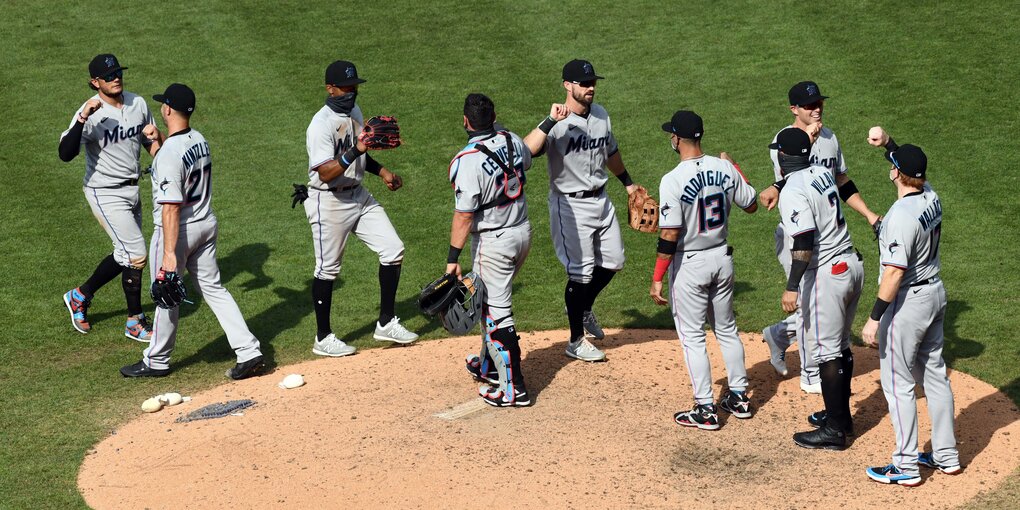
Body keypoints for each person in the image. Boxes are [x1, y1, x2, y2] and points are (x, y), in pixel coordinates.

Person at [120, 83, 265, 380]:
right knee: (214, 289)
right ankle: (249, 350)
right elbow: (176, 164)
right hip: (205, 224)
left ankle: (156, 360)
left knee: (165, 294)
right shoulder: (199, 139)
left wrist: (170, 256)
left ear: (168, 109)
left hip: (178, 231)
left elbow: (171, 205)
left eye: (163, 104)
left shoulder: (169, 154)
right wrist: (159, 141)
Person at [759, 81, 880, 394]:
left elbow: (840, 180)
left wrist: (867, 213)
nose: (816, 109)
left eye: (819, 103)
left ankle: (779, 336)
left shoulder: (830, 137)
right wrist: (805, 144)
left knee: (812, 305)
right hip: (796, 237)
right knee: (807, 301)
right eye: (809, 105)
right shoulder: (782, 141)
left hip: (826, 236)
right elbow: (791, 179)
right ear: (794, 110)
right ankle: (811, 375)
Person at [523, 58, 642, 362]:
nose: (590, 88)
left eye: (593, 83)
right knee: (581, 272)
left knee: (614, 260)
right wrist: (549, 121)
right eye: (584, 83)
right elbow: (526, 151)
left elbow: (610, 152)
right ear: (567, 85)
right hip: (570, 205)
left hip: (601, 199)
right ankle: (576, 340)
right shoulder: (556, 123)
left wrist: (628, 184)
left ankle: (582, 306)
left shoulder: (601, 115)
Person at [862, 128, 960, 486]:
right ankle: (946, 455)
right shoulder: (930, 195)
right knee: (934, 374)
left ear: (894, 174)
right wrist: (889, 143)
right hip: (935, 293)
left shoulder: (899, 218)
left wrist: (874, 319)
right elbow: (906, 163)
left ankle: (904, 466)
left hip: (908, 304)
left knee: (897, 383)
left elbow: (893, 274)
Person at [300, 60, 418, 357]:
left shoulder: (354, 112)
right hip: (328, 201)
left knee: (393, 248)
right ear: (330, 89)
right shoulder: (320, 125)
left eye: (354, 88)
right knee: (327, 270)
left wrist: (383, 173)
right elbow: (326, 172)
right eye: (346, 88)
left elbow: (360, 156)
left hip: (359, 195)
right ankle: (323, 337)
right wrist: (357, 150)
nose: (351, 93)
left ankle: (386, 322)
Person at [649, 111, 758, 430]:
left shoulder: (672, 180)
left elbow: (669, 234)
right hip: (722, 260)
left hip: (691, 265)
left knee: (693, 337)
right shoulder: (724, 167)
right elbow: (750, 204)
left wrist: (657, 277)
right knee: (726, 328)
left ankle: (705, 408)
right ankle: (739, 397)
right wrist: (735, 166)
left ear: (678, 139)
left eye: (672, 134)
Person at [59, 54, 162, 342]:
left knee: (125, 254)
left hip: (132, 189)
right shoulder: (91, 113)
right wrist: (82, 118)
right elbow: (65, 154)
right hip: (104, 191)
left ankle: (79, 296)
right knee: (136, 255)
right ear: (95, 83)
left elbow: (150, 141)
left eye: (118, 72)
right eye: (109, 75)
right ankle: (135, 321)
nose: (116, 77)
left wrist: (158, 144)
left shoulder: (137, 103)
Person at [772, 127, 863, 450]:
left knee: (827, 352)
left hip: (828, 274)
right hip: (852, 264)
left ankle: (835, 430)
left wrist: (792, 286)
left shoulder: (793, 189)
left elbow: (804, 240)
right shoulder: (822, 173)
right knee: (841, 347)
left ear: (783, 157)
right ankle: (840, 416)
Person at [447, 94, 533, 407]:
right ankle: (488, 366)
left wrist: (452, 260)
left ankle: (514, 390)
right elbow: (526, 161)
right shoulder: (512, 140)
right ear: (494, 117)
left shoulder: (466, 160)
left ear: (465, 121)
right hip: (522, 234)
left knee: (495, 313)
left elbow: (464, 214)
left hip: (493, 243)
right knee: (489, 303)